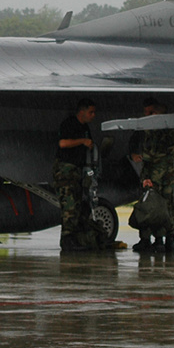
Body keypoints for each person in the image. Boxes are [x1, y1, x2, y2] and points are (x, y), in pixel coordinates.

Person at [128, 98, 174, 252]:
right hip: (167, 171)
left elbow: (151, 155)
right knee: (166, 204)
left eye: (152, 112)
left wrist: (146, 176)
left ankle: (154, 240)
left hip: (155, 172)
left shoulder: (155, 130)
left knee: (151, 204)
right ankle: (169, 239)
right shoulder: (169, 128)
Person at [54, 98, 101, 252]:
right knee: (69, 205)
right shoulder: (70, 124)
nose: (93, 115)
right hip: (66, 170)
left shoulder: (85, 127)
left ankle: (74, 238)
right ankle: (67, 240)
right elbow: (63, 143)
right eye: (90, 112)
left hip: (78, 171)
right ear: (82, 112)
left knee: (77, 204)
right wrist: (82, 141)